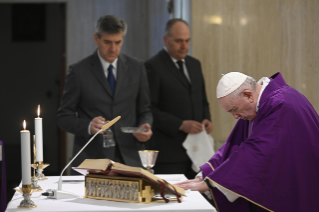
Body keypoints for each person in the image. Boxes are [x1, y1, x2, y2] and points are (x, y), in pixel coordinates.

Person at [176, 72, 319, 211]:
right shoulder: (259, 105)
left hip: (298, 179)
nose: (235, 116)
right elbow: (235, 146)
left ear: (248, 95)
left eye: (234, 110)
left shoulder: (279, 105)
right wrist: (205, 174)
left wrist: (210, 182)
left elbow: (257, 152)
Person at [57, 15, 153, 172]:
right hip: (92, 159)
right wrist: (88, 126)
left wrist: (145, 126)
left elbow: (145, 109)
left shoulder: (137, 67)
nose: (113, 48)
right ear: (96, 39)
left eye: (118, 42)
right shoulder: (78, 71)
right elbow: (63, 118)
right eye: (107, 42)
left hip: (130, 156)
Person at [145, 19, 212, 179]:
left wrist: (207, 119)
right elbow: (149, 109)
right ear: (165, 40)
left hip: (197, 151)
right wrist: (180, 125)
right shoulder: (152, 66)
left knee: (201, 202)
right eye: (178, 41)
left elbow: (202, 99)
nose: (184, 46)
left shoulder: (195, 64)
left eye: (187, 41)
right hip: (169, 154)